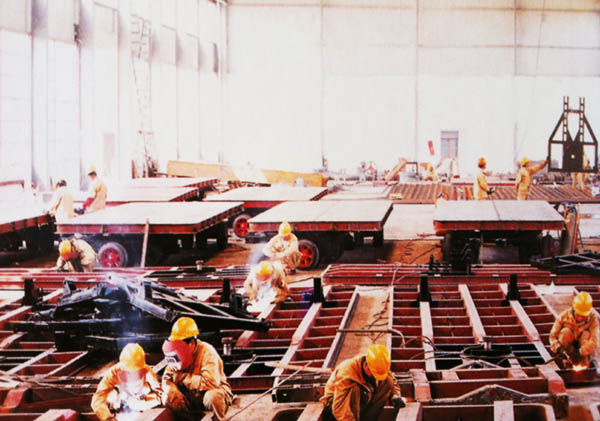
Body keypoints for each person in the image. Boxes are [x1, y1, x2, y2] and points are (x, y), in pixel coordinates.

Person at [162, 317, 234, 420]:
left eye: (179, 344)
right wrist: (172, 389)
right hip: (190, 395)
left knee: (213, 397)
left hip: (212, 391)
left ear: (191, 343)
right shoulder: (176, 354)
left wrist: (184, 378)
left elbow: (210, 383)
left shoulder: (207, 352)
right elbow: (166, 378)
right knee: (168, 396)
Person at [320, 344, 404, 421]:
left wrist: (395, 395)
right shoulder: (346, 373)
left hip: (362, 398)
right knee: (355, 389)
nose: (375, 377)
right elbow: (339, 408)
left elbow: (391, 379)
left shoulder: (378, 364)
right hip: (336, 405)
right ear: (366, 365)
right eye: (374, 374)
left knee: (387, 381)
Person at [92, 343, 162, 421]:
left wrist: (145, 402)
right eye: (129, 373)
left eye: (136, 372)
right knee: (112, 395)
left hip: (141, 406)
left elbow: (160, 394)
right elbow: (97, 400)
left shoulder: (147, 371)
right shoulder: (113, 373)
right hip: (120, 409)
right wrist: (108, 418)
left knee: (146, 390)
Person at [550, 291, 598, 367]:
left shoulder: (593, 319)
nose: (580, 318)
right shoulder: (564, 316)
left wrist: (580, 352)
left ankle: (584, 361)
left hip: (582, 350)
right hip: (568, 349)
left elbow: (595, 340)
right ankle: (567, 362)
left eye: (583, 316)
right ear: (574, 309)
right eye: (578, 315)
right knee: (565, 332)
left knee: (586, 334)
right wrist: (558, 348)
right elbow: (552, 336)